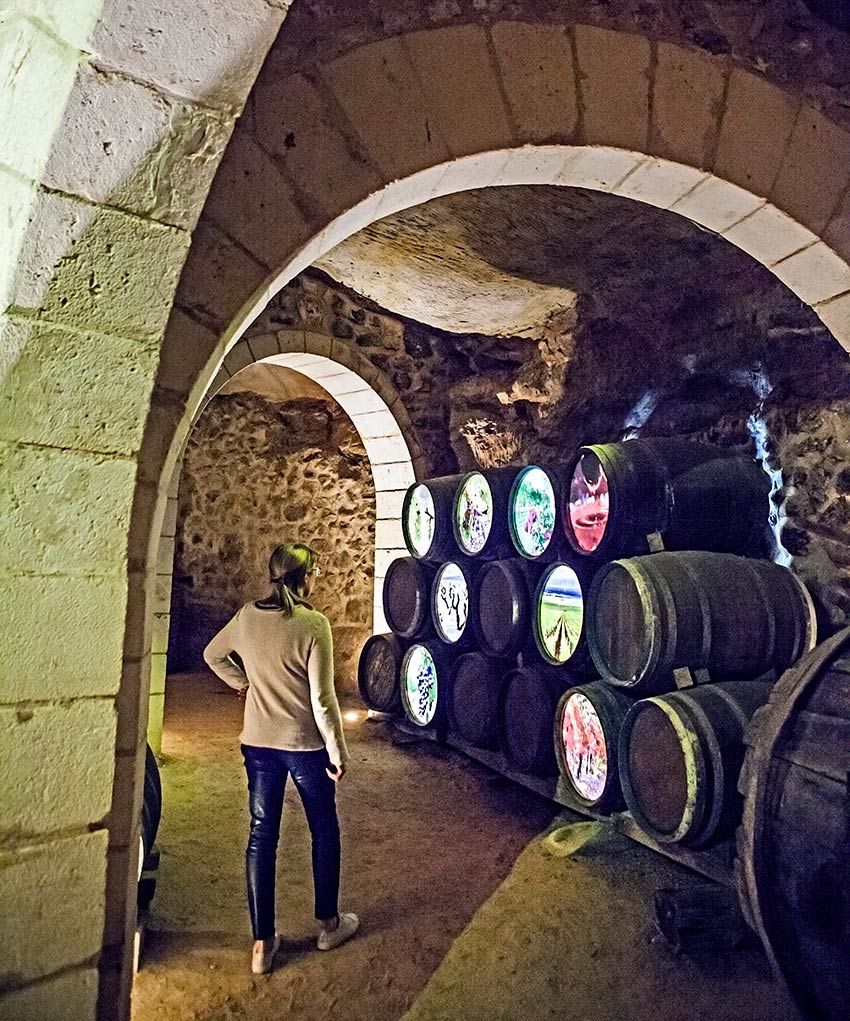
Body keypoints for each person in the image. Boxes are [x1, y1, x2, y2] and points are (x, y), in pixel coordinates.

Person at [203, 542, 358, 975]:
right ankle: (328, 923)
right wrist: (338, 751)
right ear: (304, 577)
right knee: (323, 828)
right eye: (317, 572)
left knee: (261, 835)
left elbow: (211, 654)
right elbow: (323, 700)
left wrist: (244, 683)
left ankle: (262, 942)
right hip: (305, 746)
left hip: (258, 743)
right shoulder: (313, 624)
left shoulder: (247, 617)